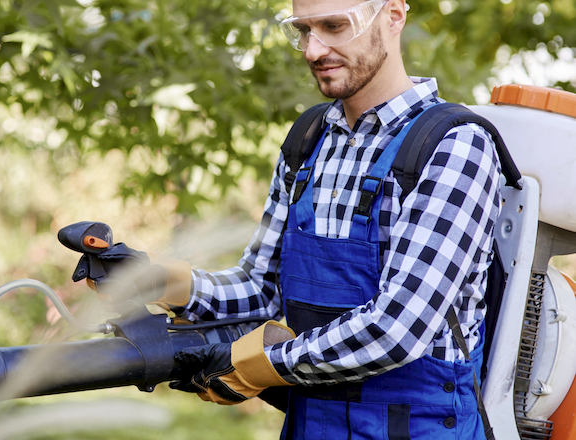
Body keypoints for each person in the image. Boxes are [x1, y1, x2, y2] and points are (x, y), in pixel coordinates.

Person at [81, 0, 501, 438]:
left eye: (335, 26)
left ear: (394, 14)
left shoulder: (452, 147)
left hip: (418, 426)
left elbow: (398, 328)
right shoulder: (309, 141)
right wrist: (159, 283)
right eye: (303, 30)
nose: (312, 50)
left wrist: (260, 366)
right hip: (312, 425)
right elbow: (263, 288)